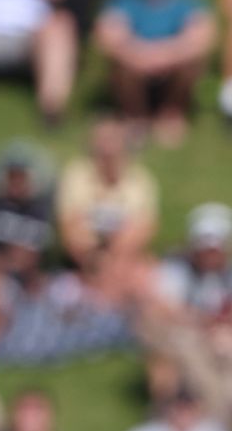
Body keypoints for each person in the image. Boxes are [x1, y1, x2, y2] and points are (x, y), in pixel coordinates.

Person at [149, 203, 232, 431]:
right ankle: (210, 424)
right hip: (191, 346)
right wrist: (207, 327)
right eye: (205, 248)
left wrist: (227, 331)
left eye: (216, 248)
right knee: (183, 352)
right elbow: (160, 311)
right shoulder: (175, 273)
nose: (211, 254)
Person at [94, 0, 214, 146]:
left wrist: (163, 54)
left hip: (173, 66)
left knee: (192, 64)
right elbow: (108, 36)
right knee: (121, 65)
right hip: (133, 65)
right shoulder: (125, 1)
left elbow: (202, 38)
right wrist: (139, 54)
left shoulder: (188, 2)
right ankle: (135, 116)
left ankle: (172, 114)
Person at [56, 117, 157, 305]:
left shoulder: (140, 179)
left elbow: (143, 230)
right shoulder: (76, 175)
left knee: (145, 276)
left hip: (125, 260)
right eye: (102, 141)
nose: (107, 148)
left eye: (112, 140)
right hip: (85, 261)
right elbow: (71, 230)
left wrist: (114, 260)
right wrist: (100, 261)